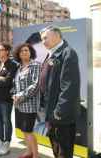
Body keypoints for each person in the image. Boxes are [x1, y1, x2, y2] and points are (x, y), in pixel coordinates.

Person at [40, 26, 80, 158]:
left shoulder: (68, 53)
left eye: (45, 37)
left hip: (61, 116)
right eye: (42, 39)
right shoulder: (51, 53)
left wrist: (58, 113)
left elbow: (69, 88)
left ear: (57, 36)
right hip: (51, 113)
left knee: (64, 151)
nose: (43, 41)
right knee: (56, 148)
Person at [13, 43, 41, 158]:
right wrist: (14, 95)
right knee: (24, 130)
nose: (24, 52)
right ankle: (28, 152)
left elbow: (35, 85)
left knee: (29, 131)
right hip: (19, 105)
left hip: (30, 104)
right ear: (18, 54)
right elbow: (15, 84)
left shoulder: (35, 65)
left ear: (31, 52)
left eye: (26, 50)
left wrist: (20, 96)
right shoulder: (19, 67)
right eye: (21, 51)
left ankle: (36, 155)